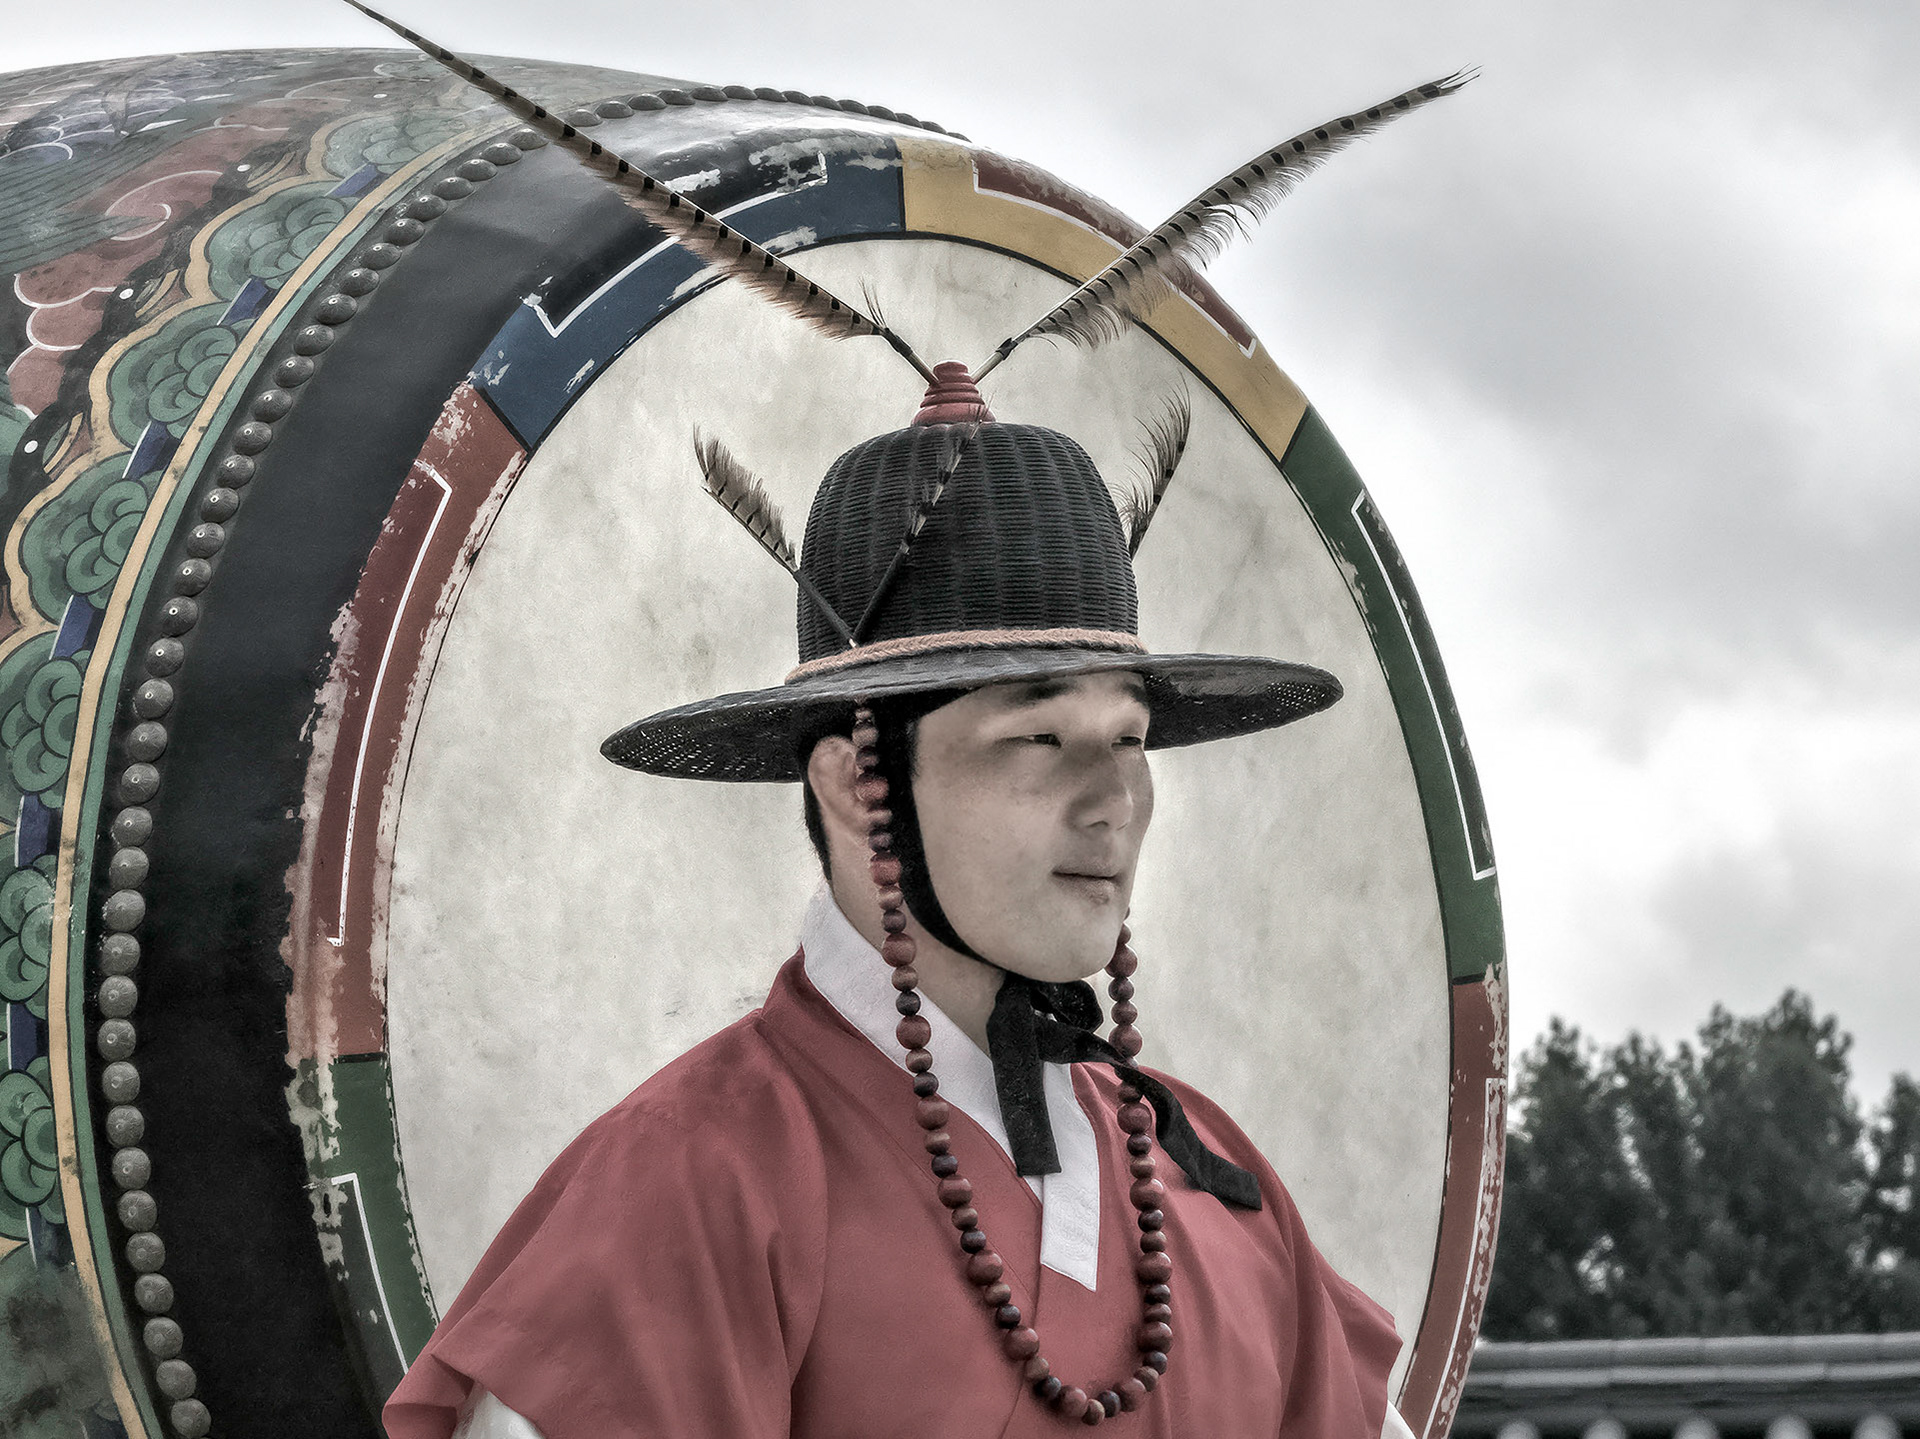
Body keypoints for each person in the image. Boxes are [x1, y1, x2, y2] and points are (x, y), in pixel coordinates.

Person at [382, 369, 1416, 1438]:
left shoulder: (1218, 1183)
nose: (1113, 800)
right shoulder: (694, 1180)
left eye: (1129, 738)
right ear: (852, 782)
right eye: (1038, 737)